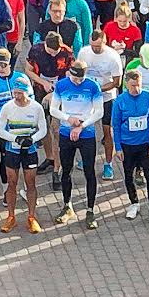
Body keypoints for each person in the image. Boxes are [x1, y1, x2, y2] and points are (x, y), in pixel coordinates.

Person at [48, 58, 105, 228]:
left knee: (89, 171)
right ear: (69, 74)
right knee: (66, 171)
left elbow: (99, 111)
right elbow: (53, 109)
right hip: (66, 133)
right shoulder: (62, 85)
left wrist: (81, 126)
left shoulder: (93, 86)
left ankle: (90, 210)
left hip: (86, 134)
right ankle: (67, 206)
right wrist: (68, 118)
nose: (78, 82)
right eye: (75, 79)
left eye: (81, 79)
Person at [0, 77, 48, 233]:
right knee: (12, 183)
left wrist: (31, 139)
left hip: (29, 150)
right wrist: (15, 138)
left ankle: (31, 217)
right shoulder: (7, 107)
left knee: (30, 183)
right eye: (15, 93)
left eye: (20, 93)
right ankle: (11, 217)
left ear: (27, 93)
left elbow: (42, 130)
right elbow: (0, 130)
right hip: (12, 149)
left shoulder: (36, 108)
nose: (17, 97)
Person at [111, 67, 149, 223]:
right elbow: (116, 125)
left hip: (145, 144)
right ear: (127, 84)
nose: (136, 88)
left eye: (139, 84)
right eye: (133, 85)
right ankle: (134, 203)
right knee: (128, 175)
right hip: (127, 144)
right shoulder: (120, 101)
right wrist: (118, 147)